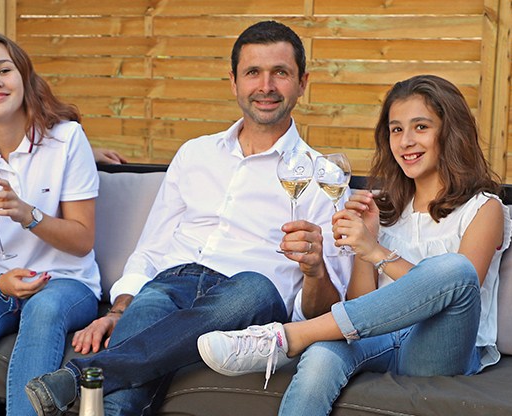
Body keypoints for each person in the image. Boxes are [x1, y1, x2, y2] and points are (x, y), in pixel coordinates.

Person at [24, 21, 352, 416]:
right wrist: (118, 310)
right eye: (253, 72)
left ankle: (79, 375)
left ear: (302, 83)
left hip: (246, 299)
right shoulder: (195, 154)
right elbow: (151, 247)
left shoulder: (323, 179)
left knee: (257, 286)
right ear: (233, 82)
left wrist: (315, 270)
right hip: (170, 285)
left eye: (280, 72)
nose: (265, 86)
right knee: (121, 400)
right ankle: (94, 379)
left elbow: (325, 310)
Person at [197, 74, 512, 415]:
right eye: (396, 129)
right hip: (381, 338)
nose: (406, 141)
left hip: (438, 348)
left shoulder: (484, 209)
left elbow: (459, 291)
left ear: (450, 132)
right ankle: (295, 340)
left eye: (421, 127)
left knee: (455, 269)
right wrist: (365, 244)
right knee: (322, 354)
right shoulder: (381, 208)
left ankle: (290, 336)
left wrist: (376, 251)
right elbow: (361, 306)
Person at [0, 31, 102, 416]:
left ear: (24, 77)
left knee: (44, 311)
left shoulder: (66, 139)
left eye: (4, 70)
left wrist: (28, 214)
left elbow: (82, 240)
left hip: (64, 279)